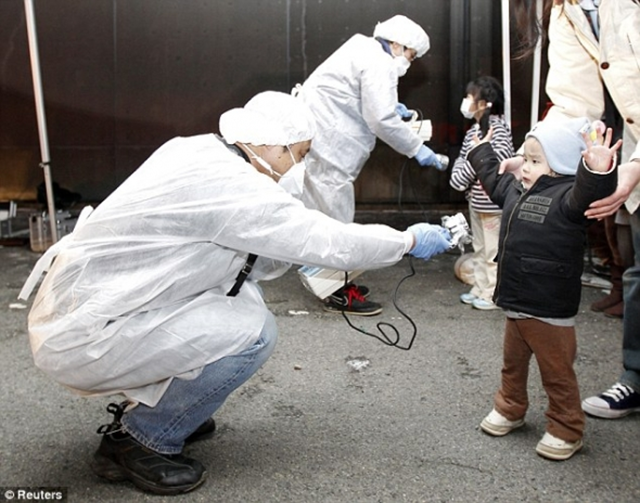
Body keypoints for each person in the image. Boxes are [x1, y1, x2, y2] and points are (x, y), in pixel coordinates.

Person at [17, 91, 453, 495]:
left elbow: (244, 258)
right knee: (253, 332)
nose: (299, 168)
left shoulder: (197, 150)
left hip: (82, 307)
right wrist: (407, 241)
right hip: (87, 334)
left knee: (242, 302)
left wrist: (293, 247)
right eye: (299, 155)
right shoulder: (239, 189)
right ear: (271, 146)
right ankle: (141, 439)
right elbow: (328, 241)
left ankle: (174, 408)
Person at [508, 0, 640, 419]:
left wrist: (634, 167)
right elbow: (572, 102)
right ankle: (637, 377)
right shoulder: (567, 10)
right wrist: (533, 150)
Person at [470, 117, 621, 460]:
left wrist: (596, 168)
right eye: (525, 157)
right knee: (512, 365)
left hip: (550, 309)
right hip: (515, 303)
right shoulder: (516, 189)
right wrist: (482, 150)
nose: (525, 166)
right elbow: (494, 179)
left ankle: (566, 429)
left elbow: (591, 190)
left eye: (536, 161)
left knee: (556, 373)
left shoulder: (569, 199)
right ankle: (510, 408)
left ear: (563, 164)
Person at [293, 14, 444, 316]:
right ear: (398, 44)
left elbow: (358, 99)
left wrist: (389, 106)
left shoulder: (361, 47)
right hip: (330, 149)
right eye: (411, 56)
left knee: (323, 218)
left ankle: (333, 280)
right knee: (336, 222)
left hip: (319, 141)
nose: (409, 63)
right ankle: (337, 291)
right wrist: (417, 149)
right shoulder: (380, 62)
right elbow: (380, 118)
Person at [449, 76, 514, 311]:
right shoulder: (476, 129)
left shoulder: (496, 129)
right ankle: (480, 286)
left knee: (492, 251)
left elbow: (498, 163)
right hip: (477, 201)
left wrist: (469, 166)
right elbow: (468, 163)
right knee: (481, 248)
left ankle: (492, 293)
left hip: (491, 204)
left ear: (485, 103)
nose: (466, 102)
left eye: (470, 97)